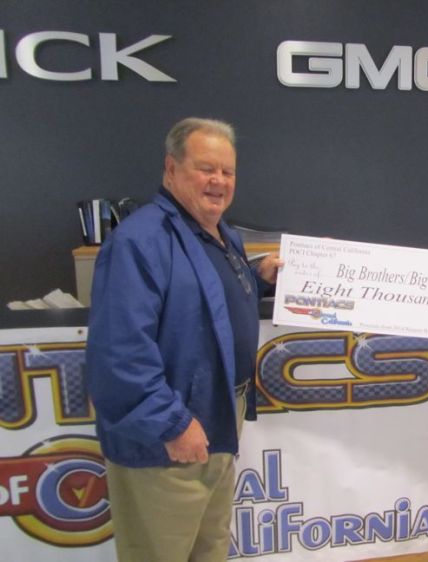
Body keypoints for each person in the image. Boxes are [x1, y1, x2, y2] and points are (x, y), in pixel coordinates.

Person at [85, 117, 282, 562]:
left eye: (227, 172)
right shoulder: (139, 241)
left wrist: (257, 277)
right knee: (161, 551)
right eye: (206, 168)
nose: (219, 181)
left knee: (208, 548)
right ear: (171, 168)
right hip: (170, 431)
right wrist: (170, 424)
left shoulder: (219, 233)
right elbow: (119, 353)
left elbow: (205, 300)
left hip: (219, 418)